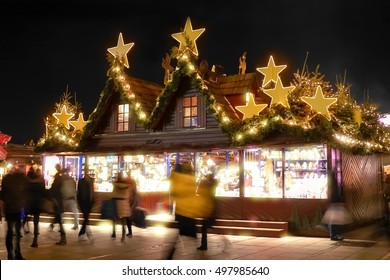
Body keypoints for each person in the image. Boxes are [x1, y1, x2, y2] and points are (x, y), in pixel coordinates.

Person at [1, 165, 29, 259]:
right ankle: (17, 253)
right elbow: (25, 193)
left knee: (10, 231)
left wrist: (2, 210)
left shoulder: (6, 179)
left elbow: (2, 195)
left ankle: (10, 253)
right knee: (17, 231)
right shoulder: (22, 179)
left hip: (9, 209)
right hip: (17, 208)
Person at [196, 168, 218, 250]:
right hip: (210, 211)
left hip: (207, 212)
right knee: (204, 228)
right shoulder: (213, 185)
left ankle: (204, 245)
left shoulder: (206, 187)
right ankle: (204, 244)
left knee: (204, 228)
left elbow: (200, 193)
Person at [24, 167, 45, 248]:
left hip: (29, 203)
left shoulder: (27, 183)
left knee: (24, 217)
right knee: (36, 223)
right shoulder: (40, 182)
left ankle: (21, 231)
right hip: (37, 204)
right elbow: (43, 192)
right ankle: (35, 239)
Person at [48, 163, 67, 245]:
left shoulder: (58, 179)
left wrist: (47, 192)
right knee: (58, 219)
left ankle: (63, 237)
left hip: (57, 202)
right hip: (58, 201)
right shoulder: (60, 178)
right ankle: (62, 237)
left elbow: (54, 189)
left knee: (59, 220)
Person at [111, 171, 132, 242]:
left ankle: (114, 233)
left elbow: (113, 194)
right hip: (124, 203)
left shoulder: (115, 184)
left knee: (114, 219)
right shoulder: (126, 185)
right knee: (123, 221)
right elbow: (128, 193)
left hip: (116, 202)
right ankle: (123, 236)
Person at [77, 172, 95, 241]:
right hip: (84, 203)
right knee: (86, 218)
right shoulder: (84, 182)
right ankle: (87, 234)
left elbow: (91, 193)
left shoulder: (87, 182)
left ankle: (82, 234)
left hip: (87, 203)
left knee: (86, 218)